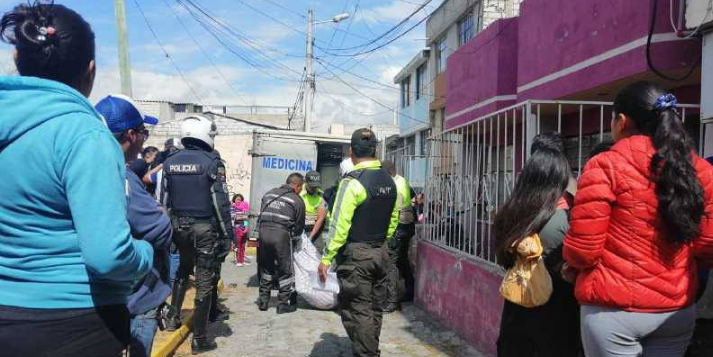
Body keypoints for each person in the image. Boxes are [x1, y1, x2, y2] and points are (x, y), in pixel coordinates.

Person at [0, 3, 154, 356]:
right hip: (72, 322)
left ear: (19, 59)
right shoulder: (85, 136)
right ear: (91, 70)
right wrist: (144, 254)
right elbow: (108, 257)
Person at [564, 81, 713, 357]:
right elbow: (707, 246)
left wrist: (571, 266)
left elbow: (584, 250)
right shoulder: (701, 170)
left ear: (621, 121)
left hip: (614, 312)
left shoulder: (605, 165)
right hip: (676, 310)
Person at [97, 94, 173, 357]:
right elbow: (161, 231)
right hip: (136, 296)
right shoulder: (121, 176)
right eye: (144, 132)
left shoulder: (79, 168)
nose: (144, 140)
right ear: (131, 134)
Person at [493, 132, 580, 357]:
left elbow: (503, 258)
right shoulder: (567, 215)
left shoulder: (512, 211)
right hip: (557, 316)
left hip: (517, 311)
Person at [318, 128, 399, 357]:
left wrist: (326, 258)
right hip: (381, 252)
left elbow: (339, 227)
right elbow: (394, 217)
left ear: (351, 151)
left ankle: (366, 353)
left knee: (357, 309)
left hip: (357, 256)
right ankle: (370, 348)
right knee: (374, 307)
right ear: (376, 149)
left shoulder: (352, 182)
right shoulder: (390, 181)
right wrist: (385, 241)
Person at [161, 115, 233, 354]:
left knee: (182, 271)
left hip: (177, 227)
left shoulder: (169, 161)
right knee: (204, 281)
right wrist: (227, 235)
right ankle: (199, 339)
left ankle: (172, 319)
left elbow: (164, 200)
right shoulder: (212, 162)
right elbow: (219, 202)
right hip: (203, 228)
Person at [257, 173, 306, 314]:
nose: (301, 190)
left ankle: (263, 302)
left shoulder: (268, 194)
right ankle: (282, 304)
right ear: (296, 185)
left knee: (266, 268)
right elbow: (299, 226)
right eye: (301, 187)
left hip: (263, 234)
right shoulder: (297, 200)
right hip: (281, 235)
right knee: (285, 270)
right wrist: (294, 240)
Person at [381, 160, 417, 312]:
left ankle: (392, 300)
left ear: (388, 173)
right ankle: (410, 291)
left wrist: (389, 235)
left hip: (398, 229)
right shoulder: (402, 180)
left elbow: (394, 214)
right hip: (407, 227)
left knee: (391, 264)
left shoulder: (394, 187)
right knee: (402, 260)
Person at [301, 170, 328, 251]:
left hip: (314, 229)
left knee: (319, 250)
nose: (314, 188)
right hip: (298, 228)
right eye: (311, 186)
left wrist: (310, 237)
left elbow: (320, 219)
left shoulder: (321, 195)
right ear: (305, 182)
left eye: (315, 186)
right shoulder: (298, 192)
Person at [232, 193, 250, 267]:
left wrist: (246, 227)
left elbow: (246, 219)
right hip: (237, 228)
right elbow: (234, 217)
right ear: (234, 200)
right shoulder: (232, 207)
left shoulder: (244, 207)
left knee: (243, 245)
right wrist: (243, 215)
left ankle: (242, 261)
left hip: (244, 228)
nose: (239, 201)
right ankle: (238, 261)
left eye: (240, 199)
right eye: (237, 199)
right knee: (238, 245)